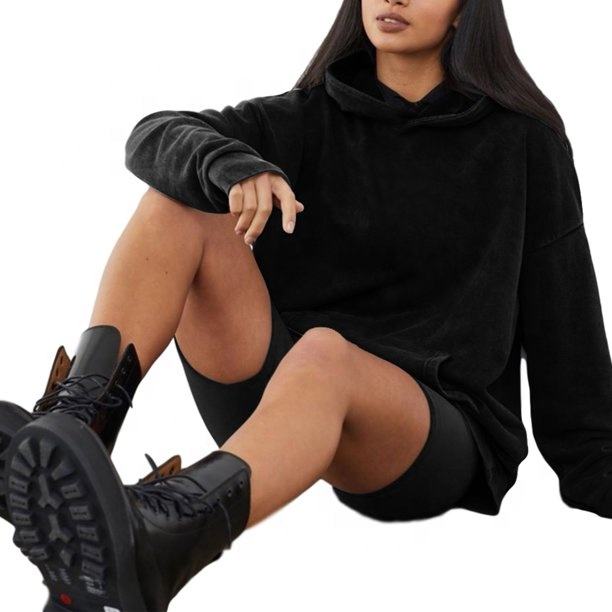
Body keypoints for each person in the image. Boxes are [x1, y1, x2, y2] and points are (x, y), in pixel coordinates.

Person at [2, 0, 612, 610]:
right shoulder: (304, 118)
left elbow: (567, 325)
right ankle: (73, 429)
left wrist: (596, 467)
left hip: (427, 432)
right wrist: (232, 166)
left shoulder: (523, 143)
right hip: (282, 401)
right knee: (179, 198)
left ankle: (156, 538)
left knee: (326, 354)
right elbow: (153, 134)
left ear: (464, 12)